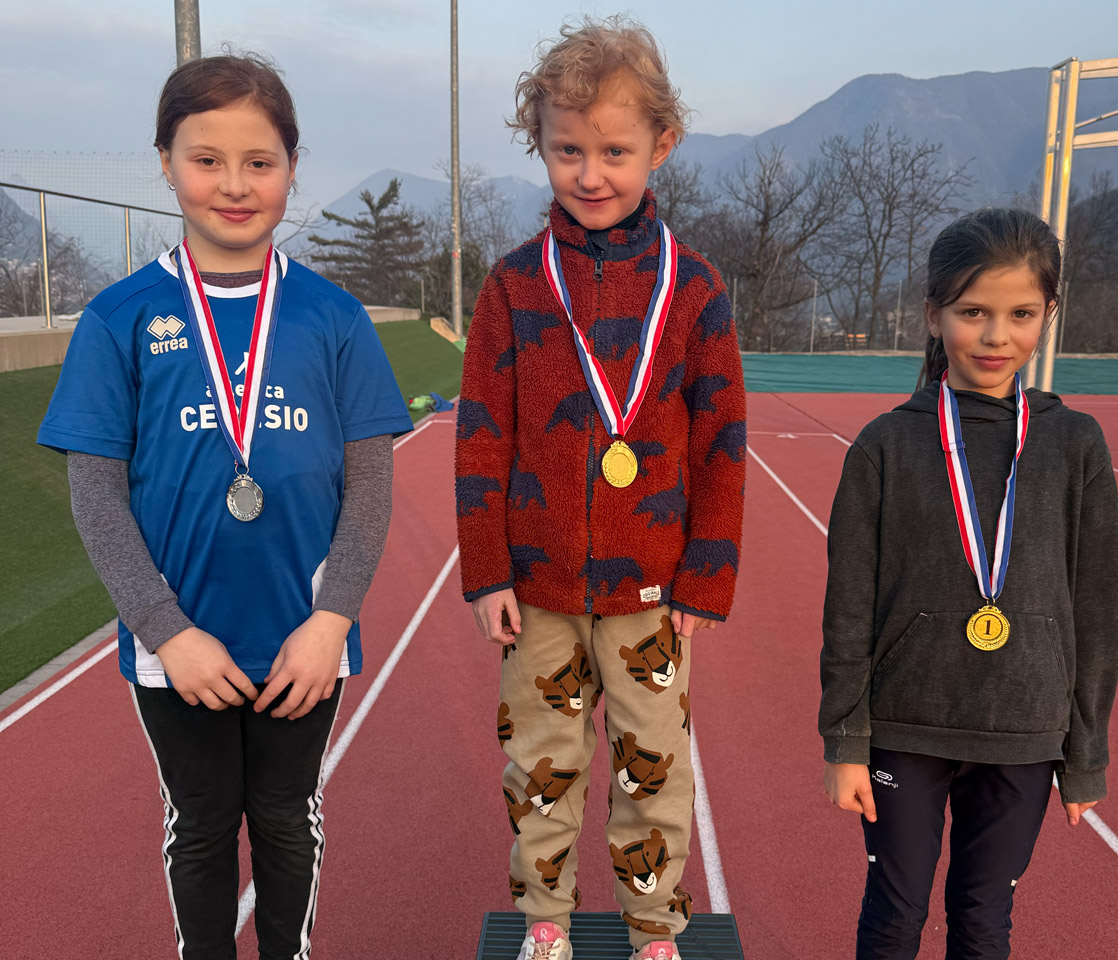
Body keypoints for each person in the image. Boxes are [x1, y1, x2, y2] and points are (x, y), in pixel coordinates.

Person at [37, 53, 412, 960]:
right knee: (201, 829)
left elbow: (370, 483)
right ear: (165, 161)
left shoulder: (333, 318)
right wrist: (166, 630)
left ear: (291, 167)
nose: (234, 185)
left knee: (287, 823)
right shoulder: (121, 317)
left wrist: (333, 620)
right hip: (182, 651)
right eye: (207, 159)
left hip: (303, 643)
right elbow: (95, 494)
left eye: (260, 161)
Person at [455, 17, 746, 960]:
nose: (590, 173)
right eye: (567, 148)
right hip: (537, 587)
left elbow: (724, 445)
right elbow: (479, 439)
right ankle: (545, 918)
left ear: (662, 145)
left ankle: (656, 924)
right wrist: (486, 570)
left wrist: (706, 576)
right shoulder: (510, 288)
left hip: (651, 592)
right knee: (543, 763)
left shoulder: (695, 290)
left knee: (654, 772)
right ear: (538, 143)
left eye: (614, 150)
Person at [820, 208, 1118, 959]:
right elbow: (849, 607)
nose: (996, 337)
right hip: (905, 726)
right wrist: (845, 739)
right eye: (973, 313)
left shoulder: (1075, 444)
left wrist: (1085, 754)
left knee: (985, 921)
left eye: (1021, 314)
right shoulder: (886, 445)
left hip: (1023, 730)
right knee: (894, 917)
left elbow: (1094, 608)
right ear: (934, 316)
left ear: (1048, 314)